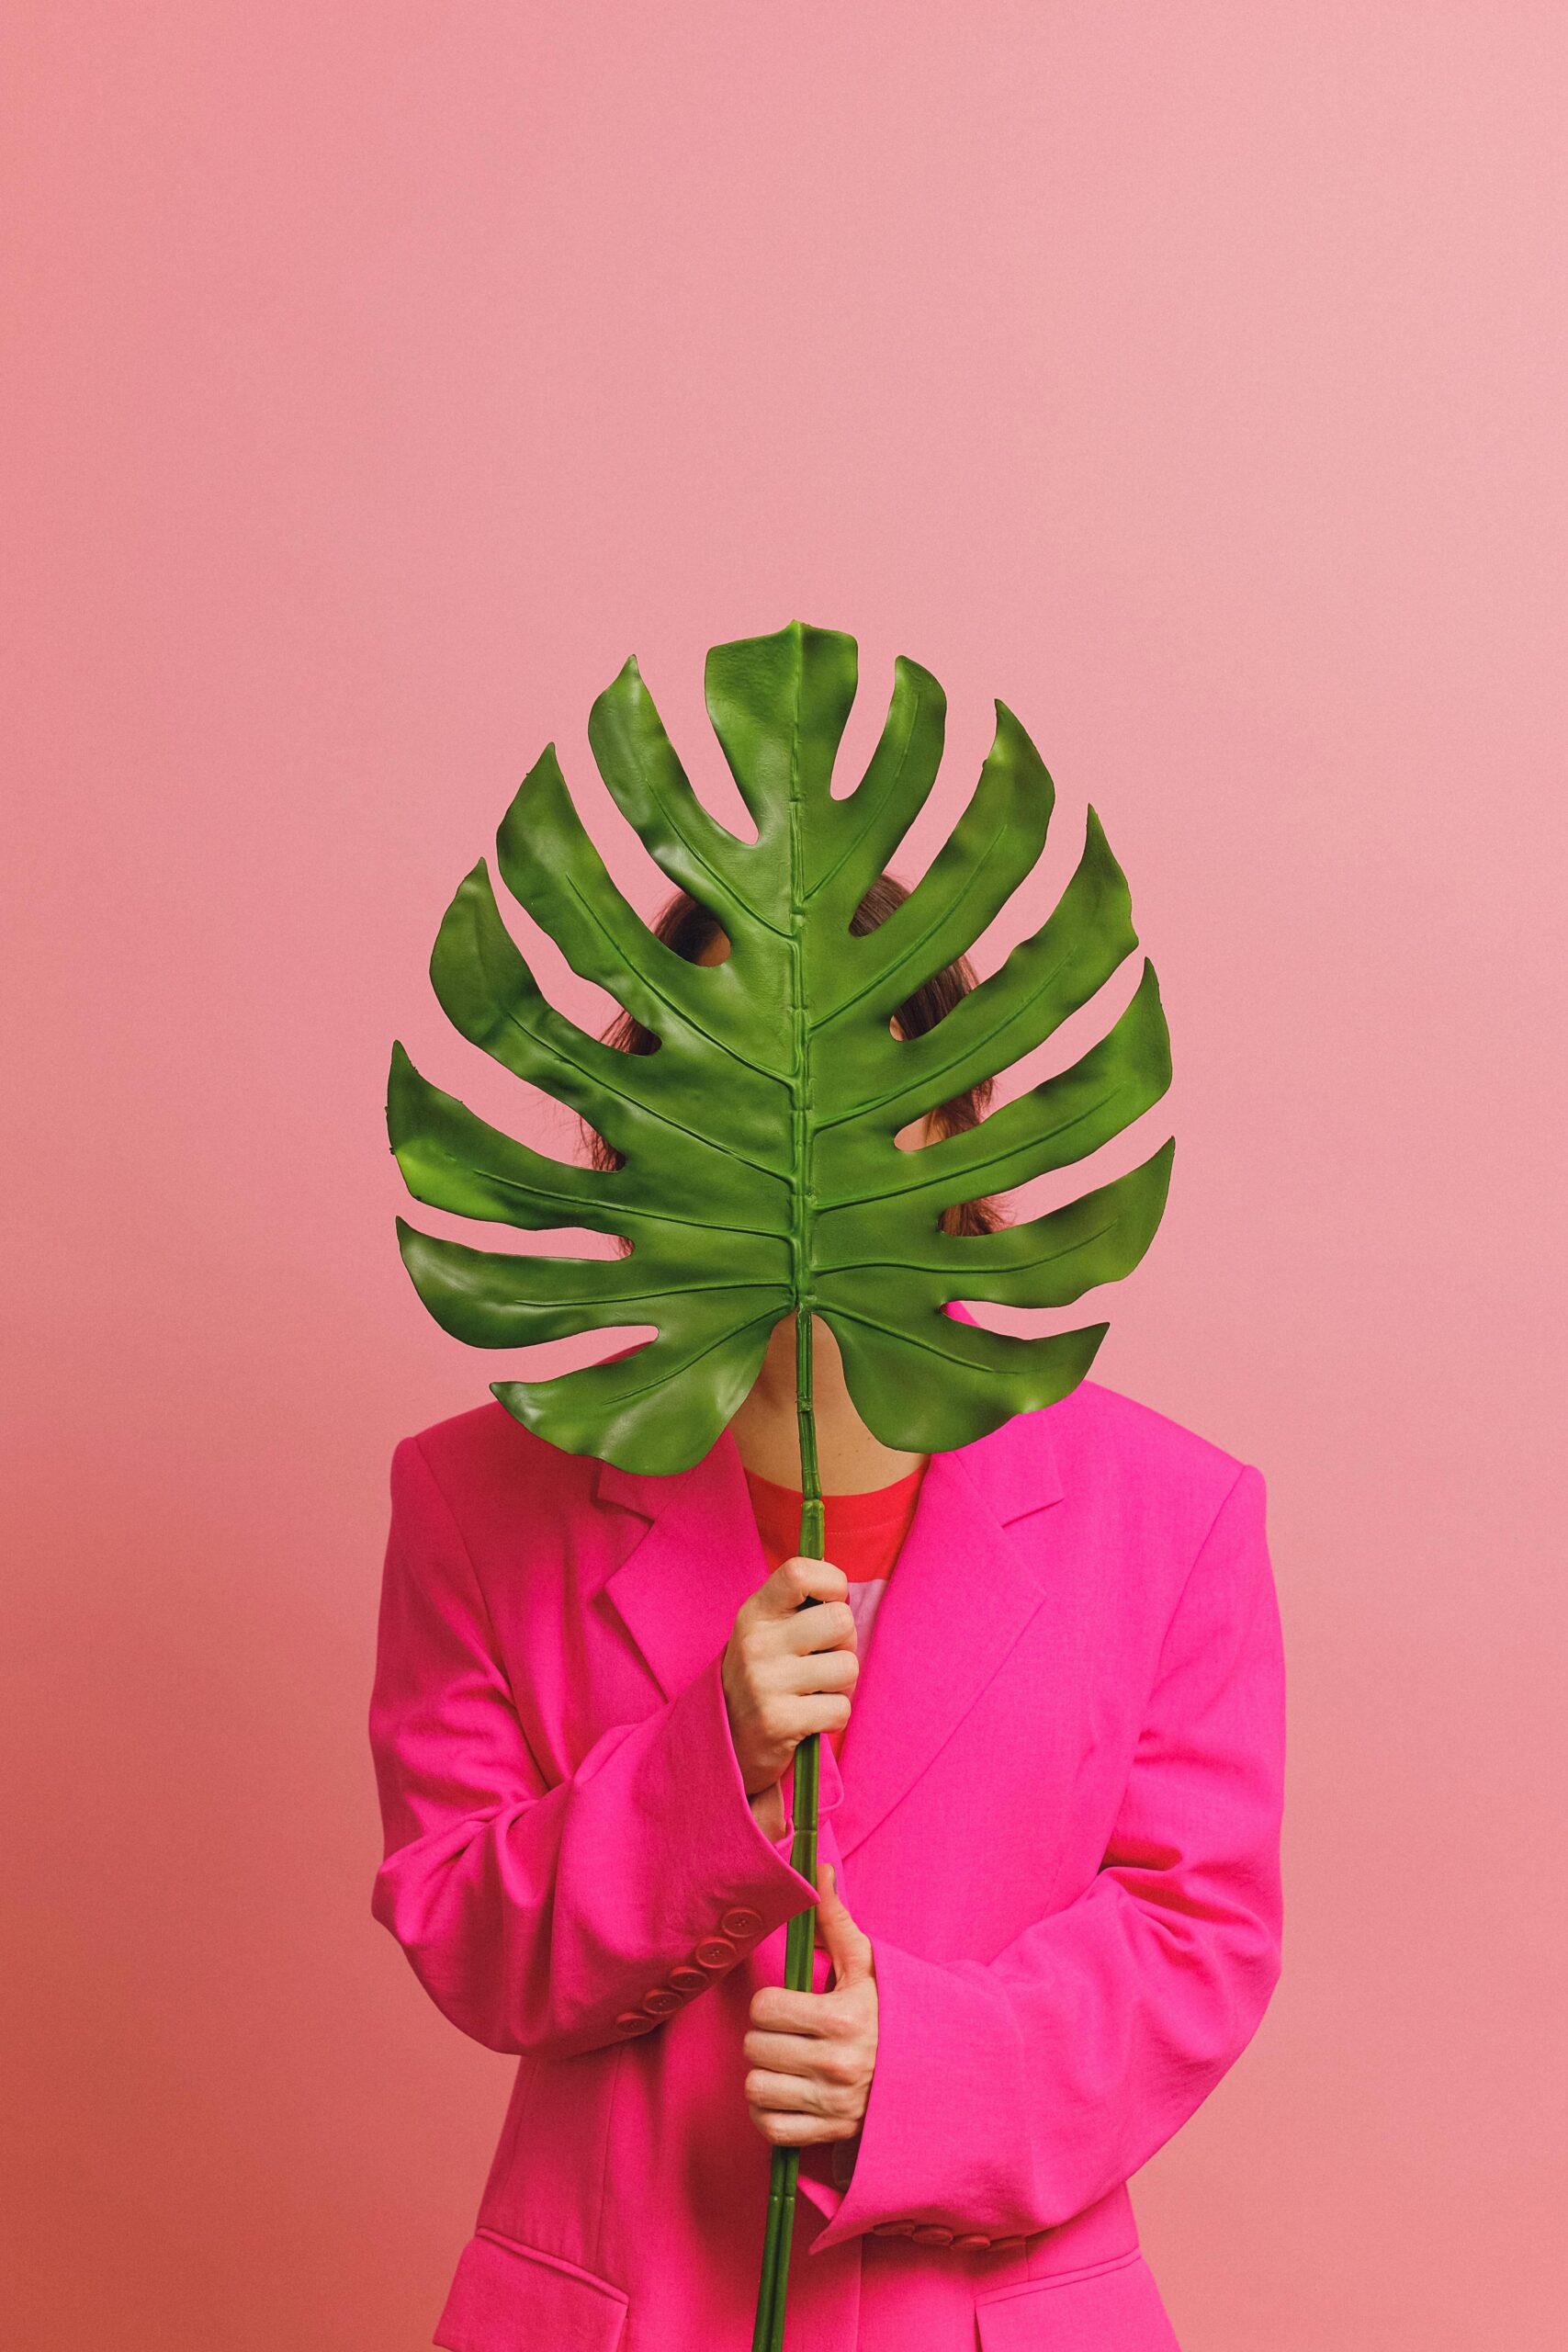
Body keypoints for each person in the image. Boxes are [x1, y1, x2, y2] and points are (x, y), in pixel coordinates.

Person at [367, 876, 1286, 2352]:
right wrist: (705, 1755)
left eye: (863, 1062)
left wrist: (922, 2066)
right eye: (724, 1072)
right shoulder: (478, 1500)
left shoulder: (1171, 1518)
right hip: (622, 2309)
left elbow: (1201, 1939)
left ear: (952, 1112)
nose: (791, 1131)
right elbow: (462, 1922)